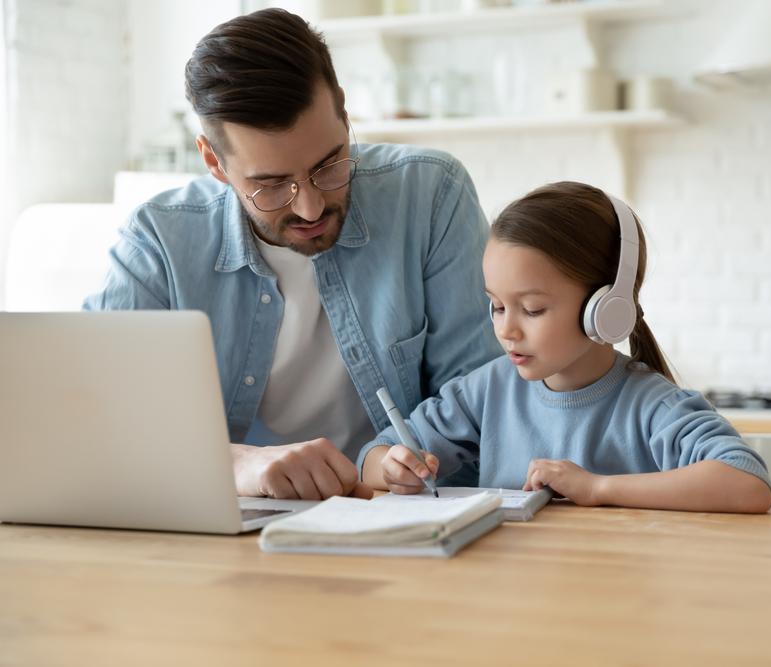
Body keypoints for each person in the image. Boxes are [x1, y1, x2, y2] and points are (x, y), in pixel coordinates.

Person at [84, 9, 500, 500]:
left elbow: (481, 393)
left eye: (329, 165)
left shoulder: (429, 193)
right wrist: (237, 464)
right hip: (236, 525)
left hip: (402, 512)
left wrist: (378, 464)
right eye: (272, 184)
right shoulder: (157, 240)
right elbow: (102, 419)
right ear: (214, 160)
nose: (311, 205)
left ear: (343, 111)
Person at [357, 182, 771, 513]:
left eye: (533, 309)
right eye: (498, 306)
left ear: (606, 309)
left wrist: (598, 487)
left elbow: (747, 483)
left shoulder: (651, 405)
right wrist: (394, 468)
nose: (507, 330)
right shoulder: (484, 392)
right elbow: (373, 456)